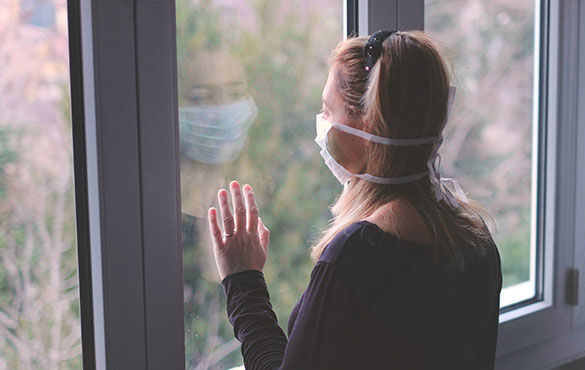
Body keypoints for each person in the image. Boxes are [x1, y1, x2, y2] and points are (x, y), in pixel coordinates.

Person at [207, 30, 503, 370]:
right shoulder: (475, 237)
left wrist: (243, 280)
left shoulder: (357, 255)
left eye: (327, 110)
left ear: (367, 125)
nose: (322, 125)